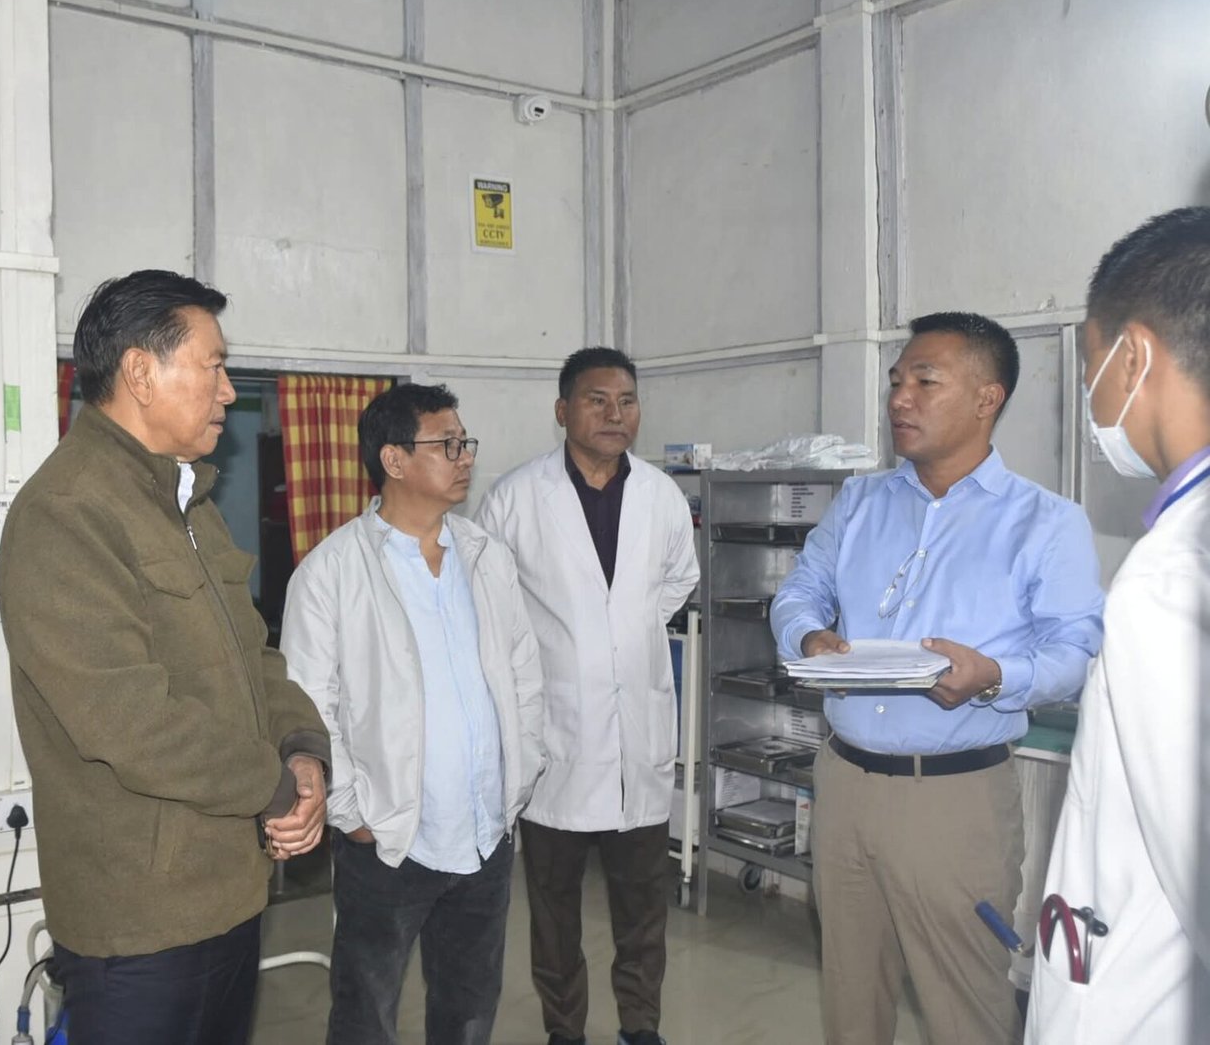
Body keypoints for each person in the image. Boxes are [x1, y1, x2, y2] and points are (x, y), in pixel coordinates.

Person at [0, 269, 331, 1045]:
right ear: (141, 373)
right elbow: (128, 720)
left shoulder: (188, 505)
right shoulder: (68, 511)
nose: (228, 391)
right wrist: (273, 785)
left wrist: (302, 748)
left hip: (226, 892)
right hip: (139, 922)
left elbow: (255, 656)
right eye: (213, 366)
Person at [770, 312, 1106, 1044]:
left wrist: (993, 676)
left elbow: (1078, 653)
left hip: (955, 800)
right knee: (851, 1000)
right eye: (897, 381)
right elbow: (799, 590)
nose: (900, 398)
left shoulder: (1045, 523)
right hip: (845, 786)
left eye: (926, 381)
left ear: (987, 398)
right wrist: (808, 634)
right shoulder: (860, 501)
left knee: (966, 1010)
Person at [281, 383, 545, 1045]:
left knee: (469, 1011)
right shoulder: (331, 573)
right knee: (366, 1014)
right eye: (447, 444)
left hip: (484, 832)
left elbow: (524, 677)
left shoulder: (487, 558)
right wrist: (352, 812)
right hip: (388, 840)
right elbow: (308, 704)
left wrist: (519, 778)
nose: (465, 456)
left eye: (465, 442)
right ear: (394, 459)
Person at [477, 347, 699, 1045]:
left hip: (637, 738)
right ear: (563, 409)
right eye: (597, 399)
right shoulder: (515, 498)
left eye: (626, 400)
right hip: (556, 742)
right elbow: (491, 603)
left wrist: (620, 632)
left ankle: (640, 1026)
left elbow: (679, 578)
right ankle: (564, 1029)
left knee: (644, 905)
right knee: (553, 908)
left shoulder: (661, 495)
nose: (614, 414)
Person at [1025, 208, 1210, 1043]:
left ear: (1134, 357)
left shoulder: (1170, 579)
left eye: (1091, 369)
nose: (1092, 399)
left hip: (1139, 1003)